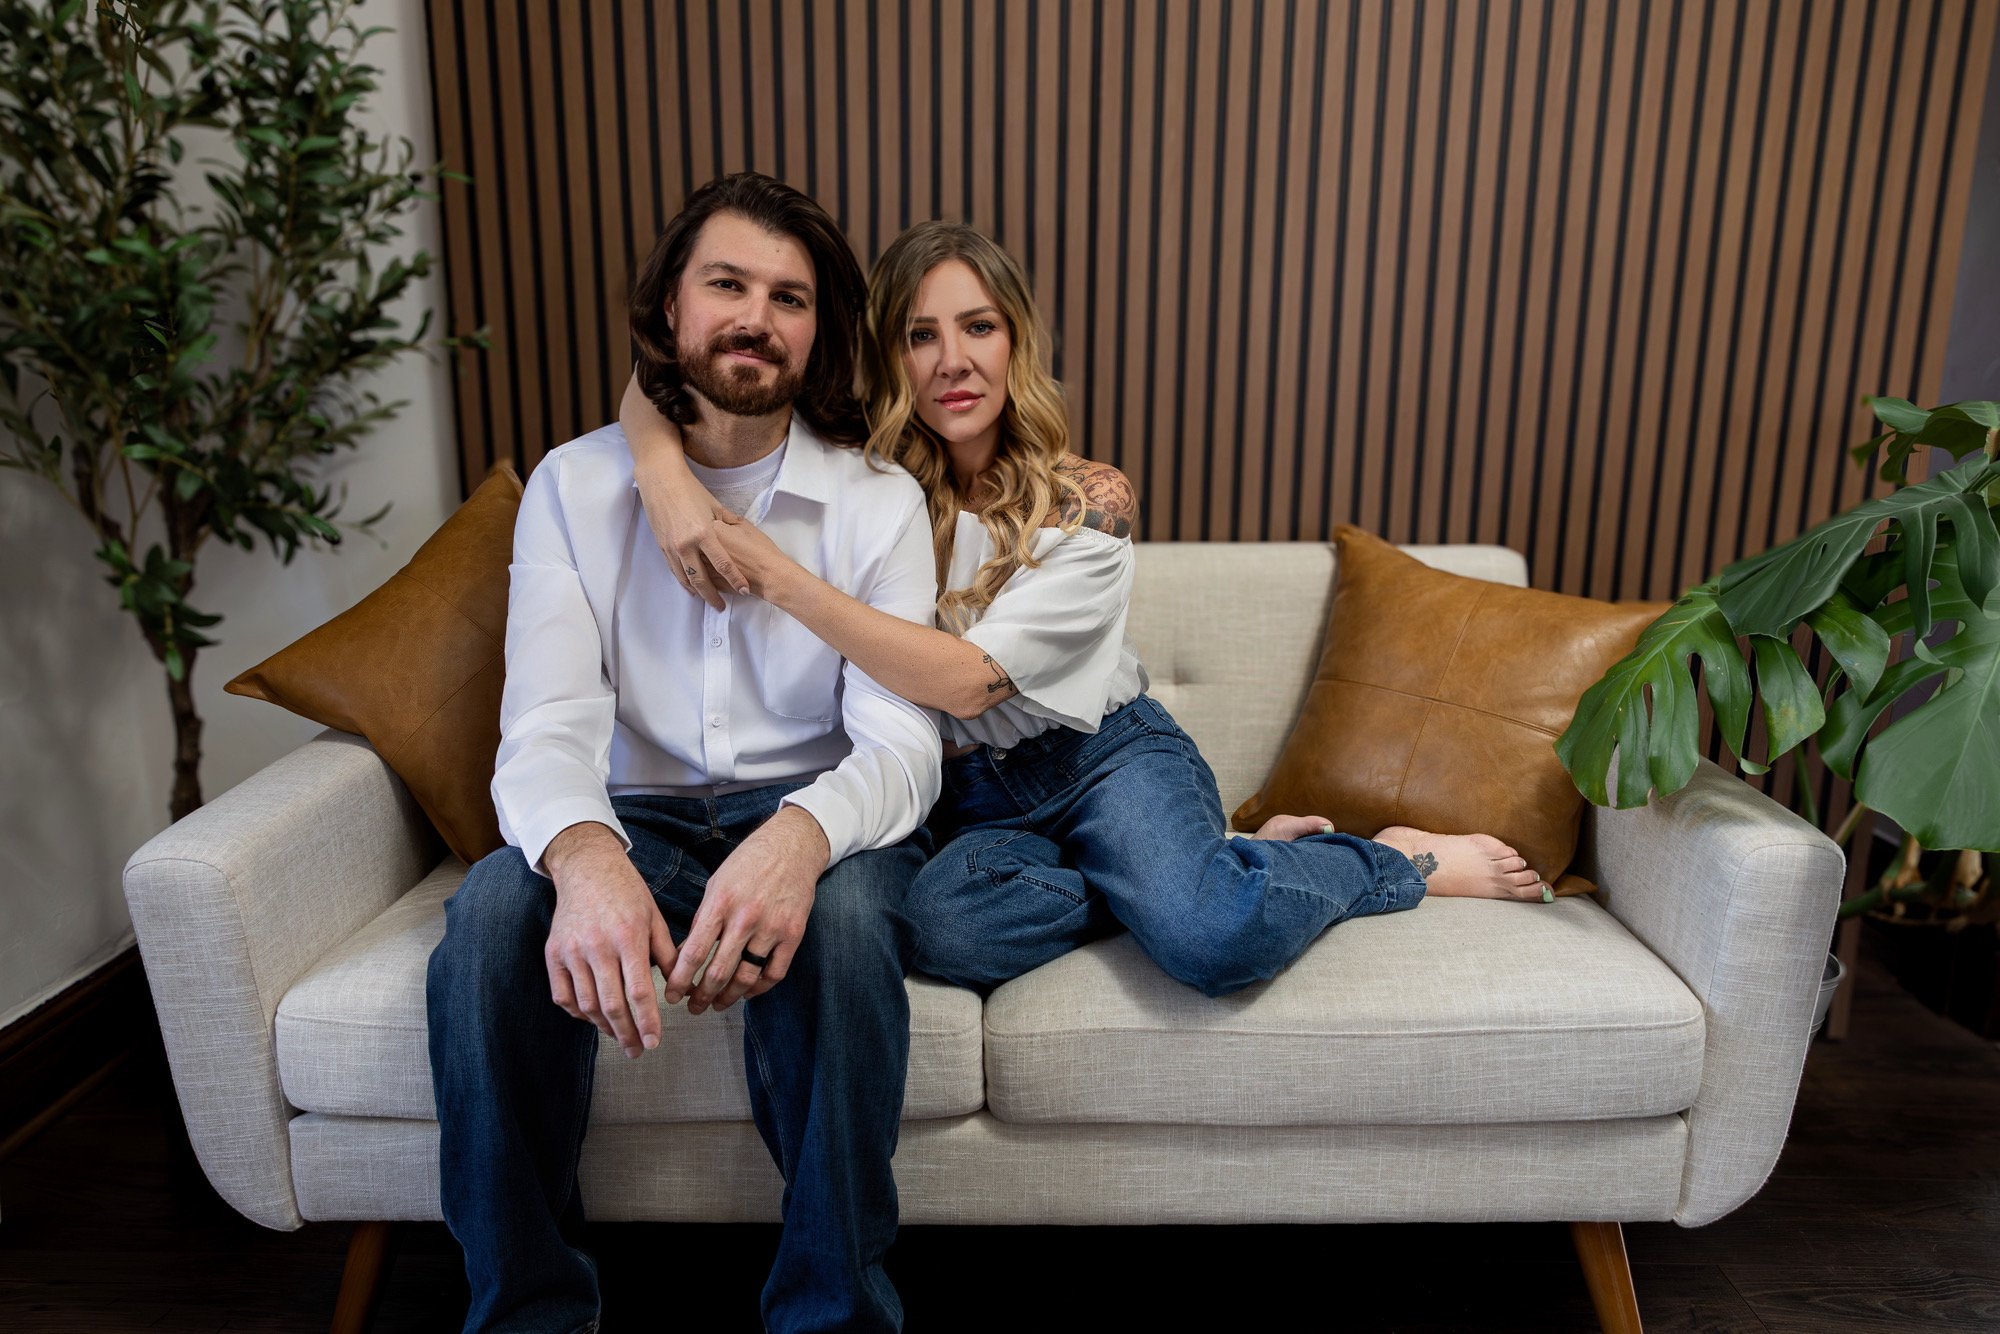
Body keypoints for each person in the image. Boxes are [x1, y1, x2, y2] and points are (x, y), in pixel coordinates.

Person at [621, 219, 1550, 1006]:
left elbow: (971, 682)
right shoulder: (864, 481)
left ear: (1014, 340)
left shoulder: (1087, 500)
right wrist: (661, 475)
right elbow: (657, 383)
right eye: (919, 335)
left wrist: (781, 576)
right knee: (937, 930)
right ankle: (1190, 866)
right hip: (964, 795)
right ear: (886, 354)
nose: (953, 362)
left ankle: (1387, 863)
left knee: (1212, 939)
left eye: (978, 327)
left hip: (1104, 756)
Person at [427, 173, 940, 1334]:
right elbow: (546, 723)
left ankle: (834, 1315)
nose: (757, 316)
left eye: (790, 297)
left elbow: (904, 742)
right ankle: (528, 1315)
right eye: (727, 284)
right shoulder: (574, 484)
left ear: (819, 332)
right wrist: (581, 855)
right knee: (485, 923)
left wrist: (800, 837)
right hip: (632, 811)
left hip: (821, 804)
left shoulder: (876, 503)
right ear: (667, 308)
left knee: (852, 925)